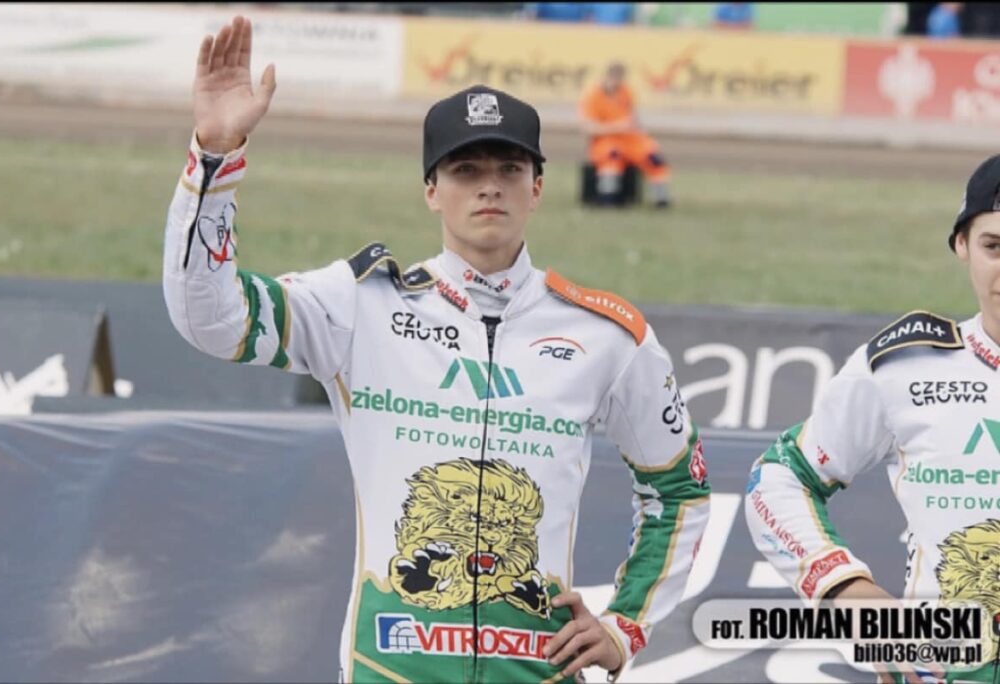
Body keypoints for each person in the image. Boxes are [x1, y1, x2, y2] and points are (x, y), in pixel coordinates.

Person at [163, 15, 710, 683]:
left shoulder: (607, 334)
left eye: (510, 168)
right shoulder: (358, 303)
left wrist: (627, 625)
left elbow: (679, 489)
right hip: (391, 668)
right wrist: (215, 158)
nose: (489, 185)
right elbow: (210, 319)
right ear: (431, 189)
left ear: (537, 188)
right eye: (465, 168)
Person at [745, 155, 1000, 683]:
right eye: (994, 247)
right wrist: (848, 591)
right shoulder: (905, 366)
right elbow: (777, 479)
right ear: (961, 246)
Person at [579, 62, 672, 208]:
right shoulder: (593, 96)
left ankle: (661, 199)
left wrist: (646, 138)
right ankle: (608, 198)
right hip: (606, 140)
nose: (616, 82)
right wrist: (616, 127)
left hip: (630, 140)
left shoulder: (625, 91)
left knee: (654, 158)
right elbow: (588, 128)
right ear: (606, 76)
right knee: (611, 157)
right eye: (613, 77)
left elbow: (633, 119)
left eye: (619, 78)